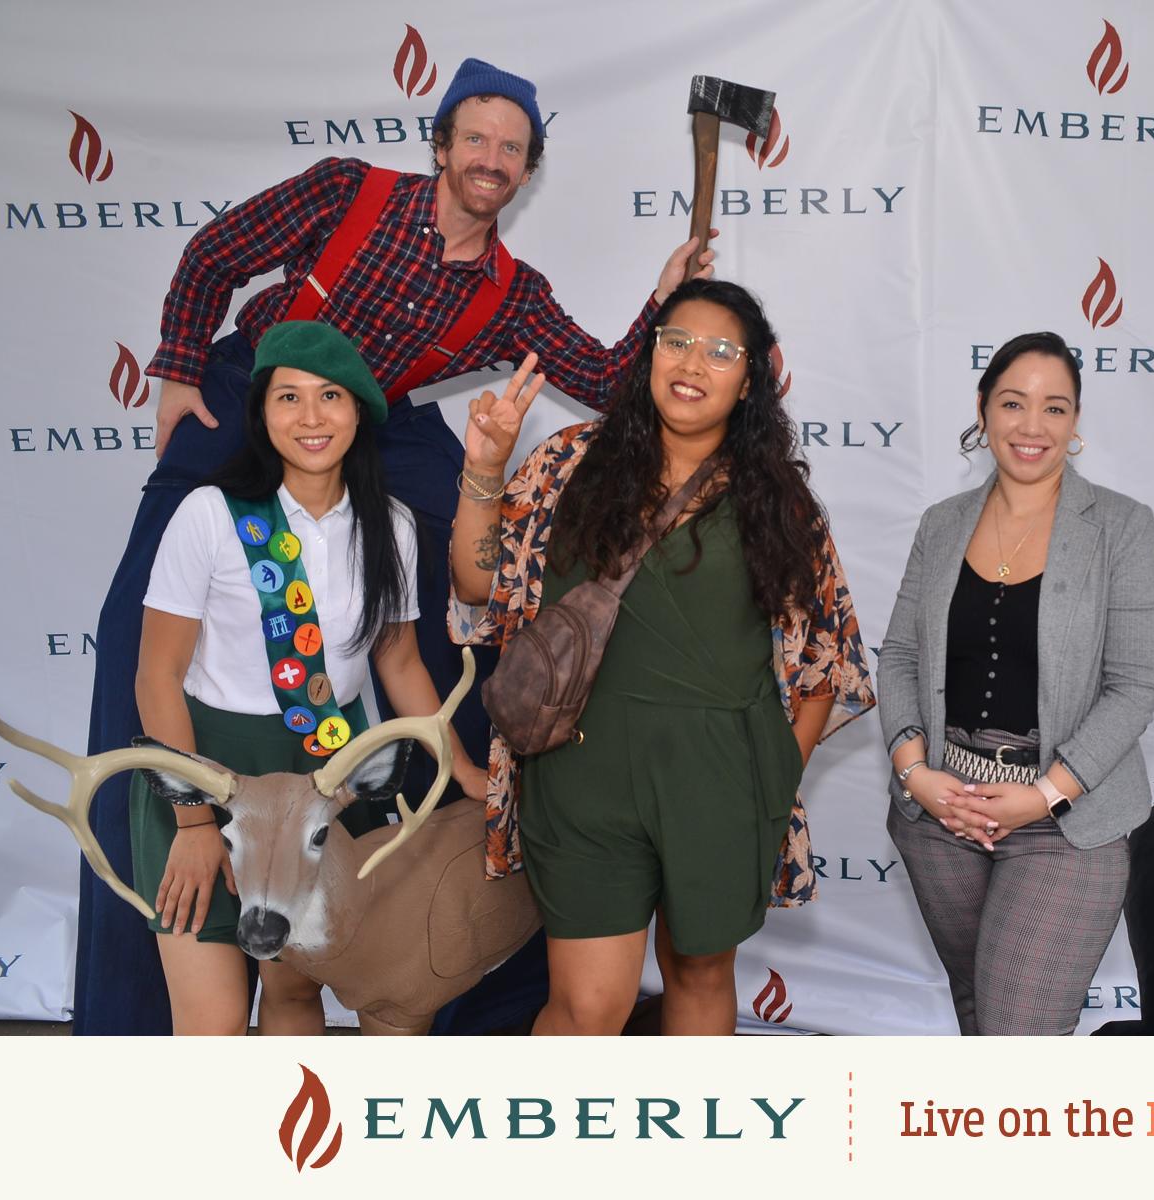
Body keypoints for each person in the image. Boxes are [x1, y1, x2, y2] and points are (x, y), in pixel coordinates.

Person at [81, 57, 713, 1033]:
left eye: (512, 148)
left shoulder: (510, 290)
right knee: (142, 624)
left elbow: (600, 373)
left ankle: (465, 853)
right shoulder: (348, 191)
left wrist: (666, 301)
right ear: (443, 145)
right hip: (261, 382)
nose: (492, 159)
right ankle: (152, 933)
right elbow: (216, 252)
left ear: (527, 168)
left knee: (484, 590)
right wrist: (176, 370)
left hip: (379, 422)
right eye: (478, 139)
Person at [448, 278, 873, 1035]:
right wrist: (485, 467)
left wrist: (771, 779)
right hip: (583, 777)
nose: (692, 363)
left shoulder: (778, 501)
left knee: (701, 975)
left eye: (720, 351)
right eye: (675, 340)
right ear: (649, 354)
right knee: (588, 1007)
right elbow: (477, 583)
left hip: (720, 782)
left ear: (751, 380)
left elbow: (827, 663)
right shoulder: (569, 462)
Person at [132, 321, 486, 1034]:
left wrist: (469, 773)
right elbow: (155, 677)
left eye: (331, 396)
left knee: (296, 993)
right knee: (214, 1019)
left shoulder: (390, 525)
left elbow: (399, 662)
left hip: (329, 776)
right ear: (262, 413)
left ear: (359, 411)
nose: (311, 417)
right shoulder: (209, 515)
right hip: (211, 772)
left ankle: (292, 1149)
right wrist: (195, 822)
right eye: (288, 397)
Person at [878, 331, 1154, 1035]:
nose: (1032, 426)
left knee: (1018, 1038)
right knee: (980, 1013)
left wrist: (1042, 796)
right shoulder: (942, 524)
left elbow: (1137, 683)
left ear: (1075, 425)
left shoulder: (1121, 528)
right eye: (1013, 403)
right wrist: (916, 774)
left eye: (1055, 408)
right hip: (942, 818)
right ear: (983, 412)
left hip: (1066, 824)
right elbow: (897, 655)